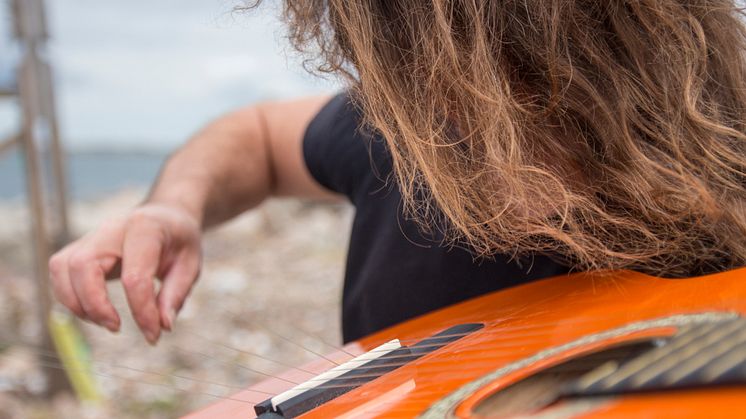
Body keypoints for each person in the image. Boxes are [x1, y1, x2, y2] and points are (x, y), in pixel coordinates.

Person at [49, 1, 746, 345]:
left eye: (537, 92)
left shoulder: (729, 149)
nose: (467, 126)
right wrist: (176, 206)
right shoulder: (415, 126)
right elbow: (255, 133)